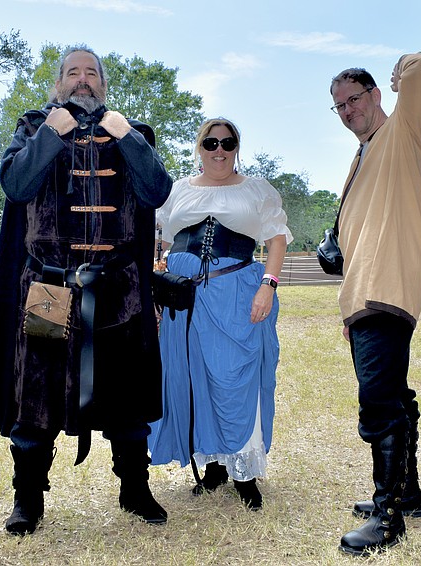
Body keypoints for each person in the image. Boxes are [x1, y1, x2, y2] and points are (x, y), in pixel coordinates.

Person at [0, 45, 173, 534]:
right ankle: (28, 500)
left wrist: (127, 137)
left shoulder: (134, 134)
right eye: (72, 73)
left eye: (91, 73)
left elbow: (157, 191)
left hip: (119, 290)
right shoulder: (31, 129)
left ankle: (134, 488)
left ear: (103, 85)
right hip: (48, 288)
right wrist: (50, 135)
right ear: (57, 84)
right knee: (35, 398)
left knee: (125, 398)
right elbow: (17, 186)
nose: (82, 80)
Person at [148, 118, 292, 510]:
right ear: (200, 148)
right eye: (211, 143)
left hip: (236, 294)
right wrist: (157, 279)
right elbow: (157, 238)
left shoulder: (256, 190)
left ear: (236, 147)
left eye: (227, 143)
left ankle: (244, 472)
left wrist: (269, 284)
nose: (219, 150)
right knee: (194, 377)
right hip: (184, 300)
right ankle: (212, 465)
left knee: (235, 380)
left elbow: (276, 239)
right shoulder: (177, 191)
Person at [329, 53, 421, 556]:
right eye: (339, 107)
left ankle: (387, 515)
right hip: (364, 296)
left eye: (353, 99)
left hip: (388, 289)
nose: (348, 111)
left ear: (377, 95)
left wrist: (404, 68)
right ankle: (408, 494)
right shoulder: (362, 156)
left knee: (379, 403)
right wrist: (349, 308)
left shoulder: (402, 133)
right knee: (393, 392)